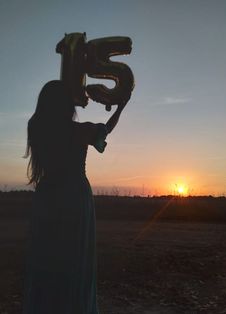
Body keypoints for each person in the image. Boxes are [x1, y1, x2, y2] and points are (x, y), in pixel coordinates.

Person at [22, 80, 128, 314]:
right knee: (74, 258)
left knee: (46, 255)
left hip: (47, 195)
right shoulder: (79, 131)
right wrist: (120, 108)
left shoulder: (35, 127)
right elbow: (105, 130)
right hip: (74, 196)